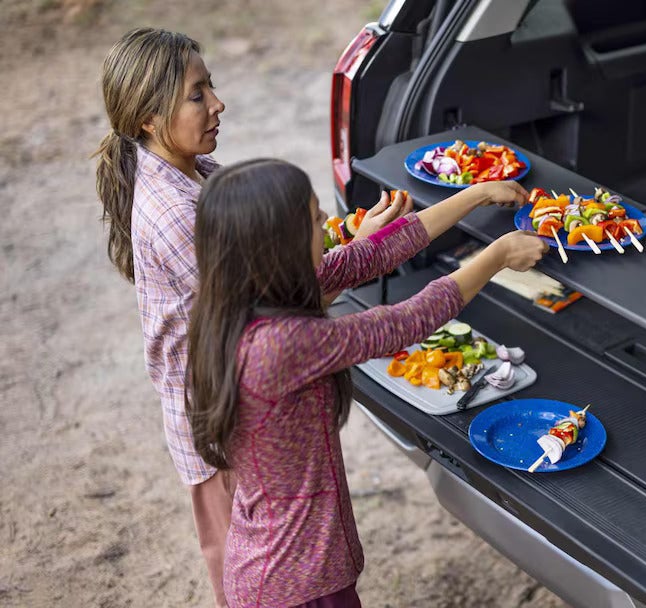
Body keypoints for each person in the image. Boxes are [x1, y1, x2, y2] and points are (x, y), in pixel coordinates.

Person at [92, 27, 467, 605]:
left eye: (209, 85)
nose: (217, 102)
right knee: (267, 572)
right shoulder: (175, 217)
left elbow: (280, 281)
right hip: (222, 421)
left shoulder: (197, 172)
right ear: (147, 116)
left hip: (243, 410)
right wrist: (362, 256)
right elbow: (280, 309)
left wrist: (359, 247)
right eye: (198, 94)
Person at [185, 158, 547, 607]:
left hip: (269, 568)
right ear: (280, 246)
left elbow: (369, 254)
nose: (326, 225)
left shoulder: (237, 304)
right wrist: (494, 258)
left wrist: (476, 194)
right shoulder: (277, 345)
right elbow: (402, 323)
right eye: (316, 218)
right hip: (298, 585)